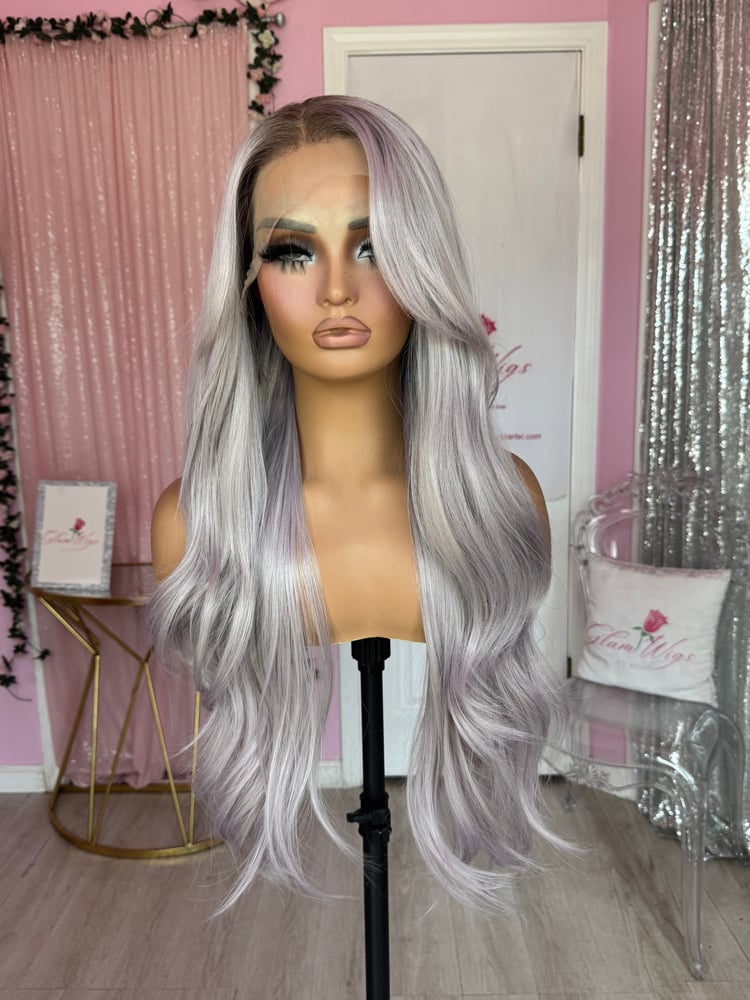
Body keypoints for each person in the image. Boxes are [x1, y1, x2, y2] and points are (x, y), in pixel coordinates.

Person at [149, 95, 564, 911]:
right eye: (293, 252)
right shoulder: (196, 528)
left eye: (371, 246)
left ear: (422, 265)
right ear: (249, 285)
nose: (337, 290)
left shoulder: (504, 504)